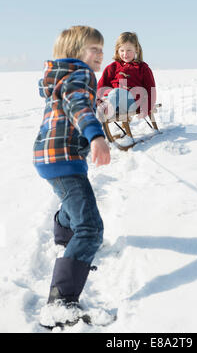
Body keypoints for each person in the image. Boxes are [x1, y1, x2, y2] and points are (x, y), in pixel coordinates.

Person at [33, 25, 110, 328]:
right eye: (95, 49)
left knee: (71, 200)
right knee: (91, 228)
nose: (100, 56)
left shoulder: (62, 77)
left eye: (102, 50)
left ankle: (65, 237)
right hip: (64, 158)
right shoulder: (81, 75)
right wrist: (96, 135)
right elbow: (78, 105)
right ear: (76, 52)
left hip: (49, 158)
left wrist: (94, 109)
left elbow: (72, 105)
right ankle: (61, 301)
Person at [97, 32, 156, 120]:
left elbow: (150, 89)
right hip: (112, 101)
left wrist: (146, 108)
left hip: (132, 103)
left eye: (129, 50)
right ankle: (93, 117)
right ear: (117, 50)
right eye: (122, 50)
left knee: (117, 92)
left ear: (136, 49)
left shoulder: (142, 68)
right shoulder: (113, 67)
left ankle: (102, 114)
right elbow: (101, 85)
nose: (125, 54)